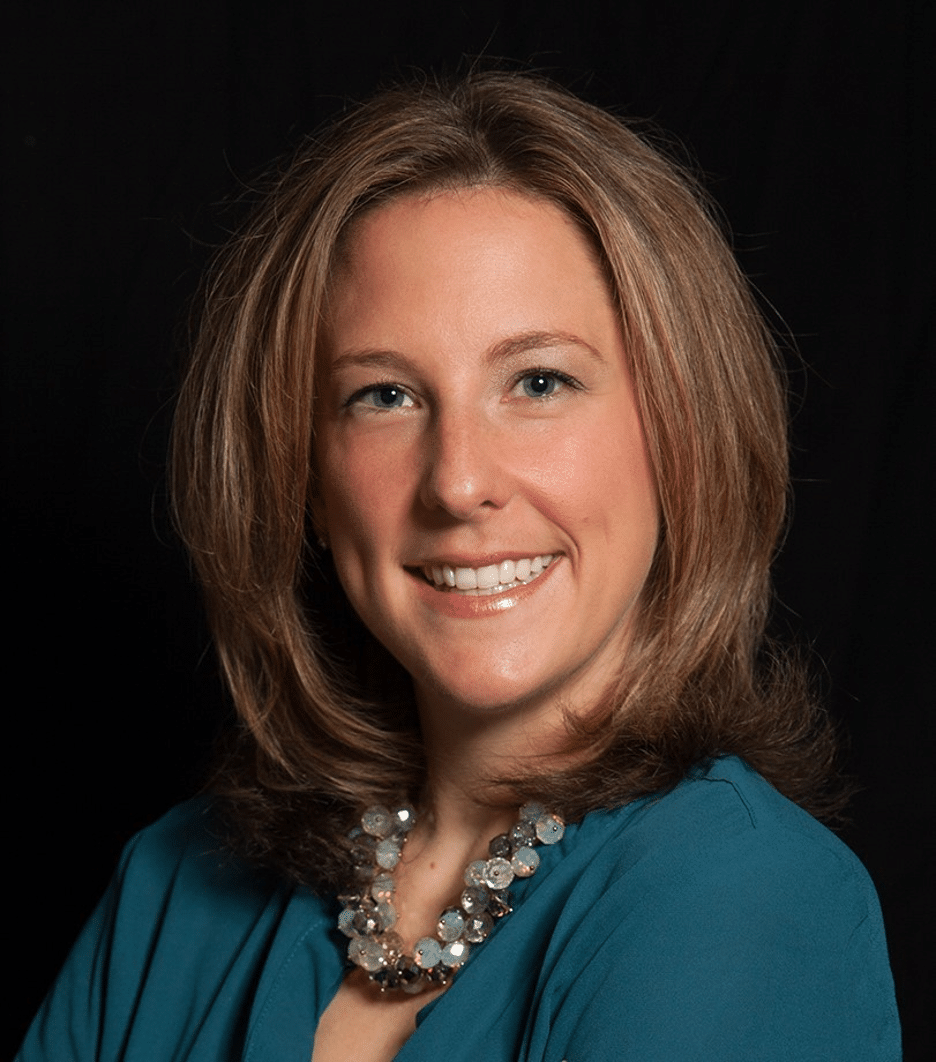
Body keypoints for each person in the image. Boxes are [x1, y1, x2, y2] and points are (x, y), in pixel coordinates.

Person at [18, 71, 900, 1061]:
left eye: (538, 381)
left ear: (683, 435)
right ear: (303, 475)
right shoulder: (175, 884)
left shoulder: (745, 899)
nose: (459, 482)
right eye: (385, 396)